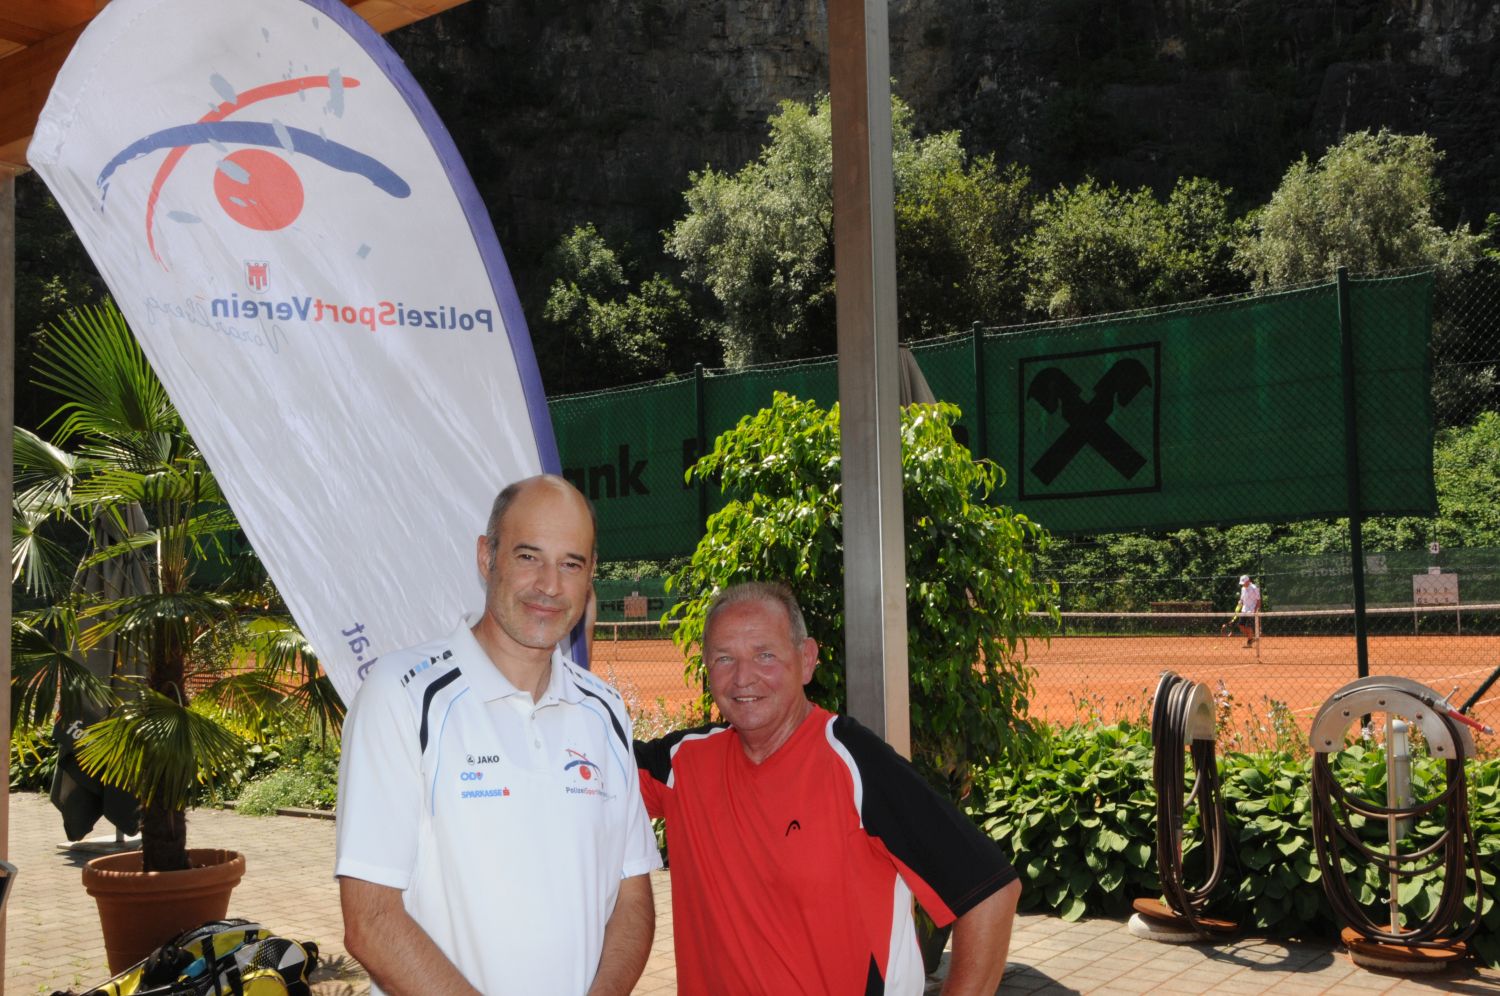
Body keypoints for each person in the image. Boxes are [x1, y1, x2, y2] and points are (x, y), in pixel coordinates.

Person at [335, 475, 660, 995]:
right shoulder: (401, 694)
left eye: (571, 564)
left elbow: (632, 895)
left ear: (590, 575)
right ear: (486, 557)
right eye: (529, 556)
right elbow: (372, 920)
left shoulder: (605, 710)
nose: (550, 585)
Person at [635, 581, 1022, 995]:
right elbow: (590, 764)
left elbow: (991, 893)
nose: (743, 678)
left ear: (806, 660)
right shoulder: (682, 763)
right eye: (724, 658)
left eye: (765, 655)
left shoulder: (857, 763)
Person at [1235, 574, 1262, 647]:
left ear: (1248, 581)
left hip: (1252, 610)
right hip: (1244, 609)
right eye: (1242, 583)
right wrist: (1240, 601)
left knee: (1248, 626)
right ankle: (1251, 638)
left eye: (1244, 583)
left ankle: (1249, 642)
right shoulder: (1243, 588)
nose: (1243, 584)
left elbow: (1258, 600)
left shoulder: (1254, 588)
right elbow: (1242, 599)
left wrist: (1256, 610)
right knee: (1241, 626)